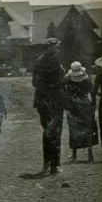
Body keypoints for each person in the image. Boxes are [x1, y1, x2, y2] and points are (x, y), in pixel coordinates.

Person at [32, 38, 66, 174]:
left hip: (42, 101)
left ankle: (47, 164)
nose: (58, 49)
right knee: (55, 133)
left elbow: (34, 82)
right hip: (54, 101)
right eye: (56, 47)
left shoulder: (38, 61)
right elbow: (60, 79)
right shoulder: (54, 61)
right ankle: (54, 165)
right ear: (49, 48)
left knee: (47, 132)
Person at [63, 61, 98, 162]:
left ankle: (74, 154)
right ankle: (90, 154)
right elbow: (92, 92)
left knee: (74, 129)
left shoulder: (69, 80)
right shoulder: (86, 80)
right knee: (87, 128)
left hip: (73, 104)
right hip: (84, 104)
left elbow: (63, 87)